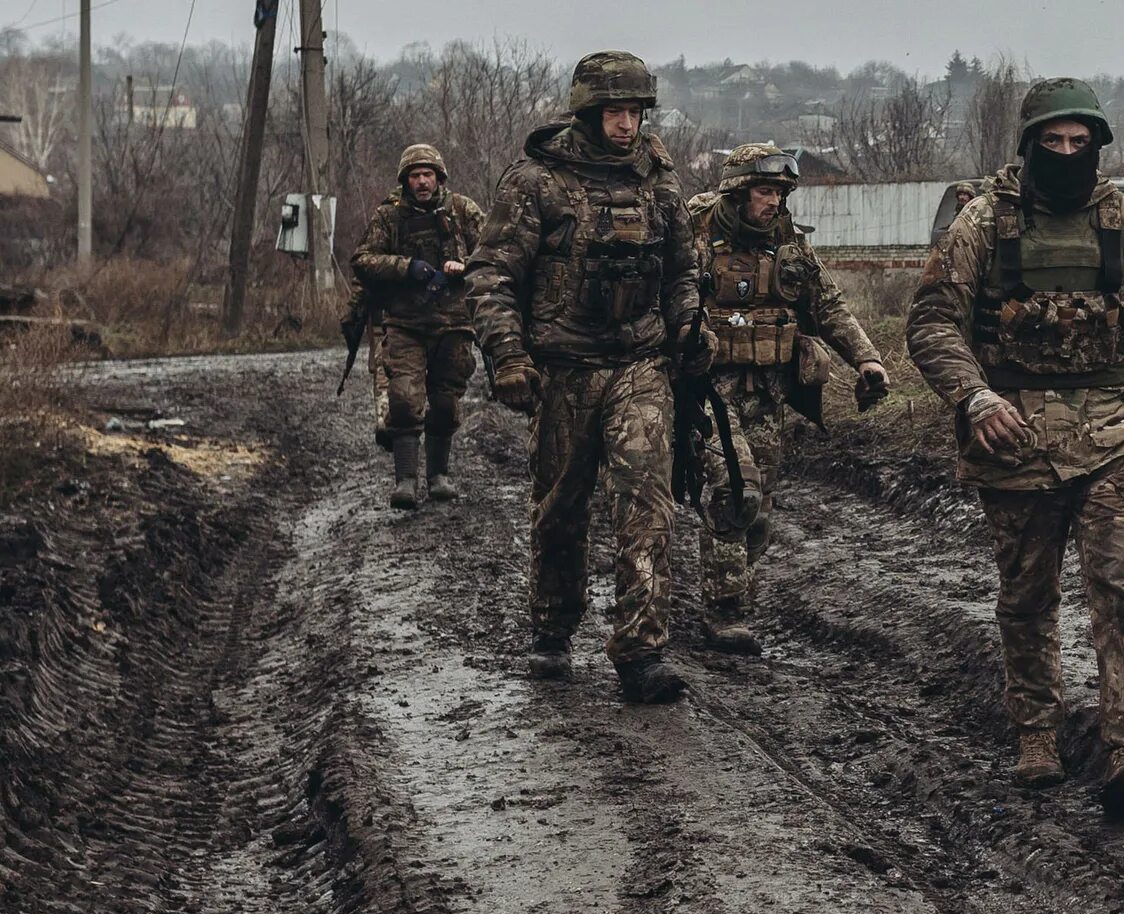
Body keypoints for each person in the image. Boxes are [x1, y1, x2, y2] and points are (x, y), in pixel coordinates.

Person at [905, 78, 1124, 816]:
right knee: (1028, 599)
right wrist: (974, 397)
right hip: (1015, 440)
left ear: (1097, 146)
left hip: (1112, 436)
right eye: (1053, 142)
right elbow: (933, 324)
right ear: (1031, 144)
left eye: (1080, 143)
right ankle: (1035, 731)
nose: (1067, 154)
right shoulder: (982, 224)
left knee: (1123, 588)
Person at [469, 51, 703, 703]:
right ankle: (551, 628)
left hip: (639, 365)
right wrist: (508, 355)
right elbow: (492, 274)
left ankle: (641, 648)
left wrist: (688, 326)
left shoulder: (658, 181)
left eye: (634, 112)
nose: (626, 125)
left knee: (647, 505)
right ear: (588, 112)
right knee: (561, 509)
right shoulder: (537, 181)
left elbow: (684, 270)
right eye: (615, 112)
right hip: (564, 370)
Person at [683, 143, 891, 656]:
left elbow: (829, 304)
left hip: (768, 389)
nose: (773, 201)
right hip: (708, 388)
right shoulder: (696, 237)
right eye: (763, 190)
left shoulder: (789, 244)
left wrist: (867, 358)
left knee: (761, 509)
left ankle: (733, 598)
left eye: (779, 191)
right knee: (737, 487)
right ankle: (724, 610)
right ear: (736, 192)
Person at [347, 142, 484, 509]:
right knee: (404, 399)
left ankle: (439, 475)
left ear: (439, 177)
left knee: (444, 403)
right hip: (406, 321)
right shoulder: (390, 216)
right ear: (405, 180)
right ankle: (405, 480)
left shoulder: (463, 211)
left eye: (428, 175)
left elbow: (495, 253)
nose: (422, 182)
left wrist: (463, 266)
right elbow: (363, 259)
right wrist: (406, 267)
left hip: (454, 322)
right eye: (415, 175)